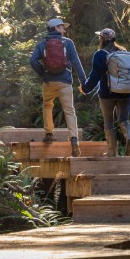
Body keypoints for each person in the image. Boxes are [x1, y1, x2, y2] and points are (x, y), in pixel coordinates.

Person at [30, 18, 86, 157]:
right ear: (56, 28)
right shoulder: (68, 43)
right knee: (69, 110)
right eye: (62, 27)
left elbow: (33, 61)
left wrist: (43, 74)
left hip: (48, 82)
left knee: (47, 106)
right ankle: (74, 139)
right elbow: (76, 63)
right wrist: (84, 81)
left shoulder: (42, 44)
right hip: (65, 82)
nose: (64, 30)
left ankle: (49, 133)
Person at [79, 28, 130, 156]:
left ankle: (111, 151)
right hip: (125, 92)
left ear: (102, 39)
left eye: (100, 37)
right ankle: (129, 138)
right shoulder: (123, 52)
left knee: (109, 122)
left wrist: (85, 88)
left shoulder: (100, 55)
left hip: (107, 94)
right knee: (123, 119)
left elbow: (95, 76)